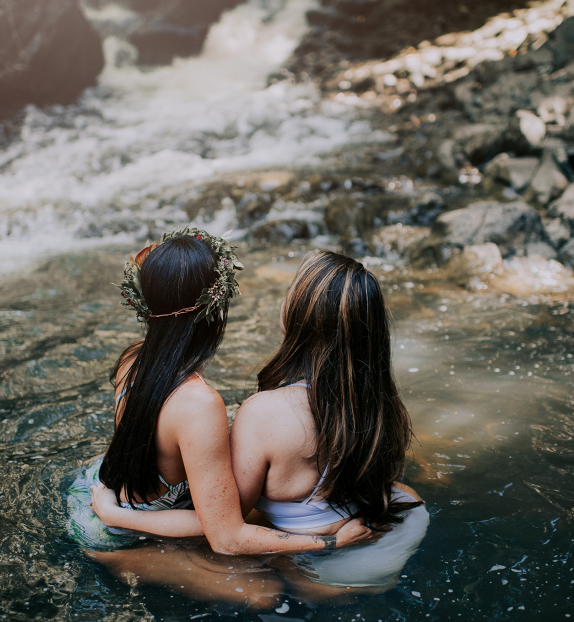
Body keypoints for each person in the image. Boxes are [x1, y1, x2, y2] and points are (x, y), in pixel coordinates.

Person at [91, 250, 428, 590]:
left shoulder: (263, 412)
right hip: (396, 527)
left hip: (317, 565)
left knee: (262, 591)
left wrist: (119, 517)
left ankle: (117, 561)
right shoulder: (380, 403)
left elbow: (225, 533)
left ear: (295, 318)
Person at [67, 229, 372, 556]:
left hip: (92, 488)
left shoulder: (134, 356)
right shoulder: (199, 403)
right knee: (263, 595)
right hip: (116, 531)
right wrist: (331, 541)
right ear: (215, 309)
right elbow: (225, 536)